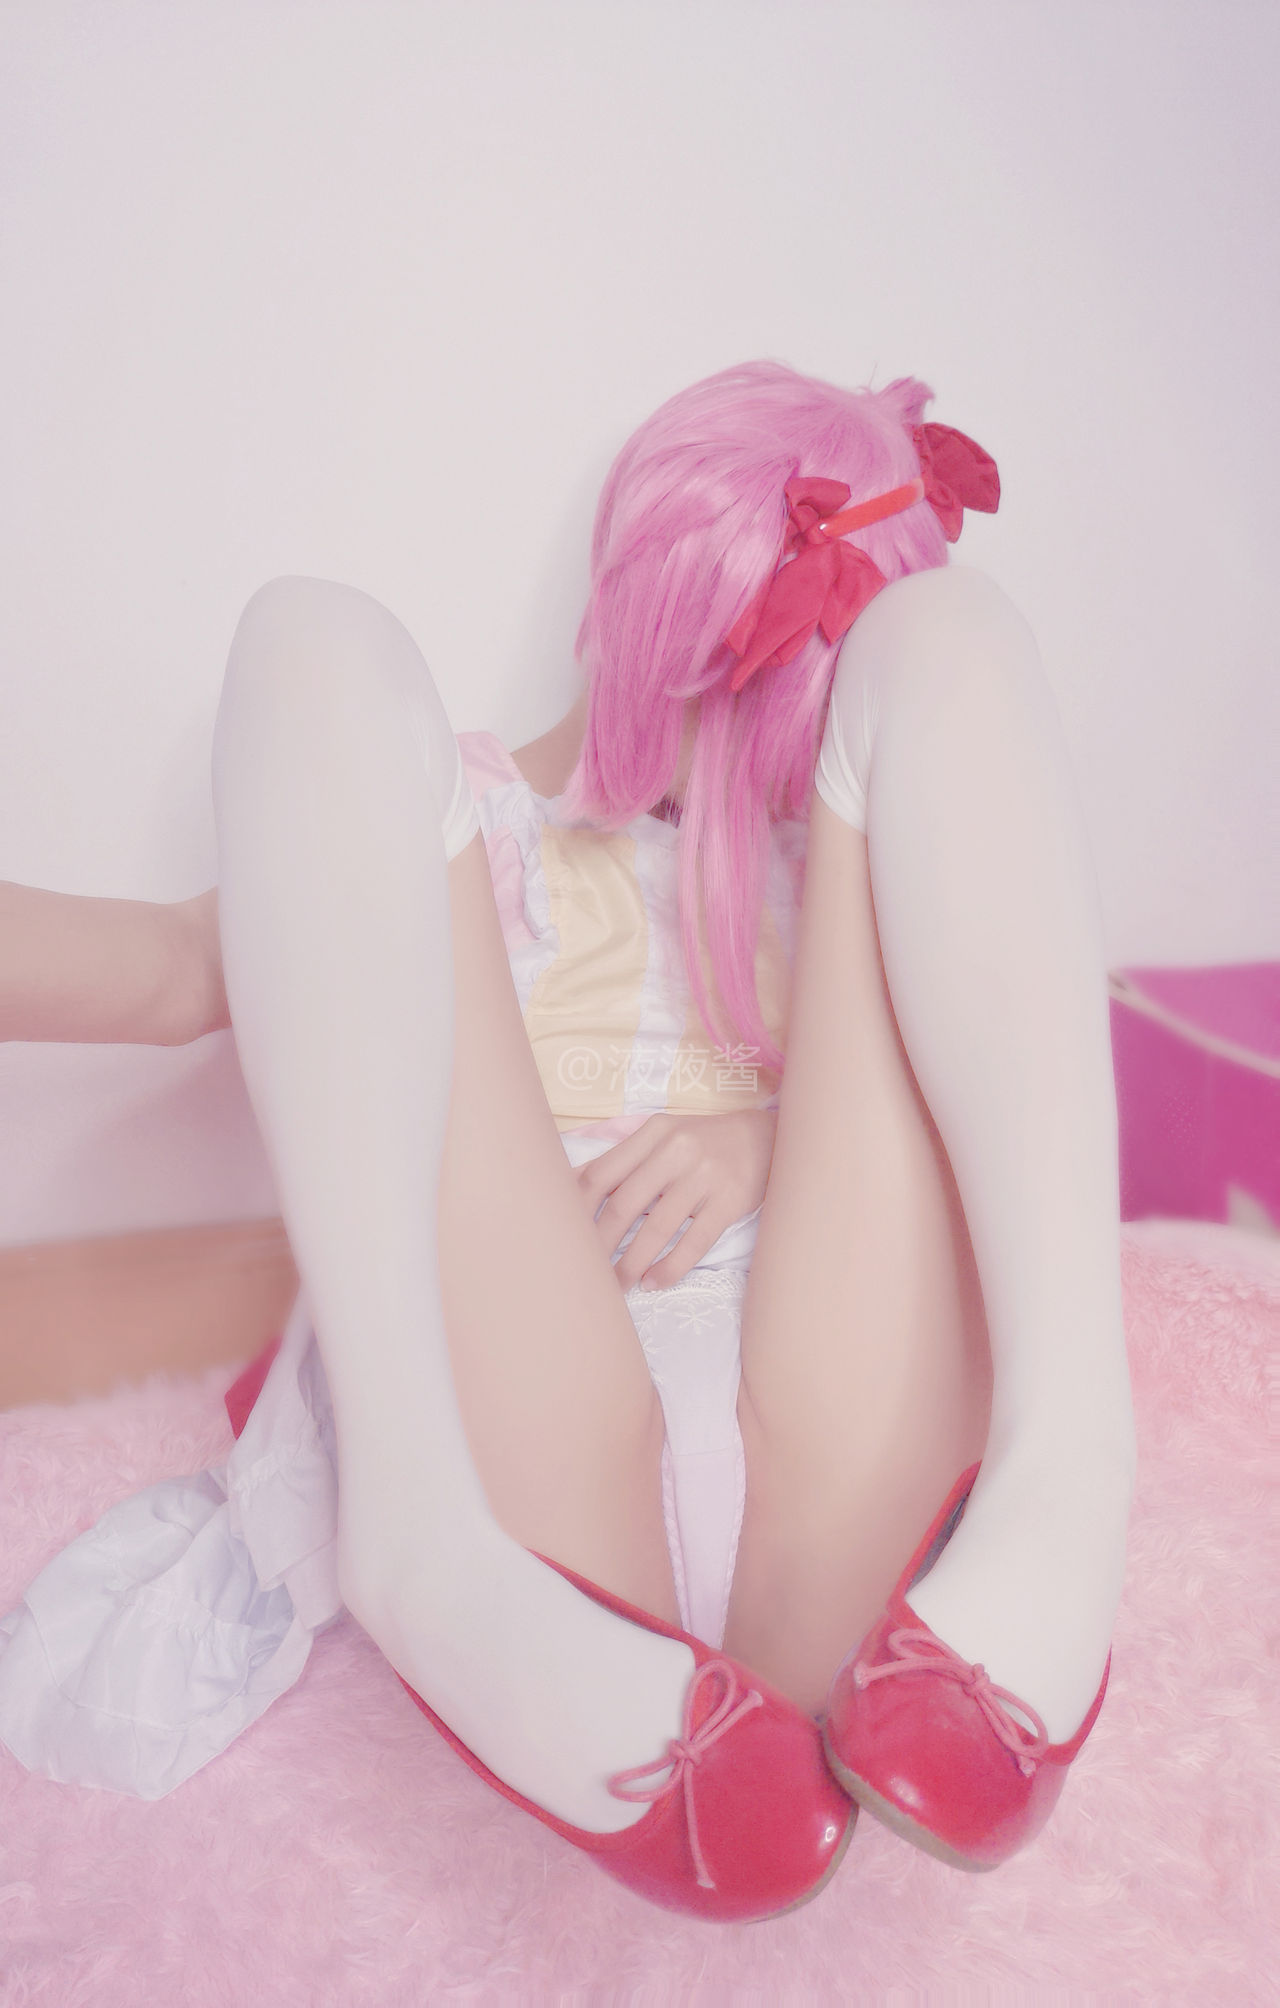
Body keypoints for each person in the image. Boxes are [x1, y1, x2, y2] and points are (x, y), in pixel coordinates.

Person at [0, 359, 1135, 1911]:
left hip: (856, 1514)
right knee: (314, 643)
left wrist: (769, 1140)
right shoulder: (441, 830)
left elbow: (1023, 1057)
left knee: (961, 637)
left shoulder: (869, 882)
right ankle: (416, 1544)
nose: (762, 734)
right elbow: (155, 972)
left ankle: (1070, 1478)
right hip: (540, 1495)